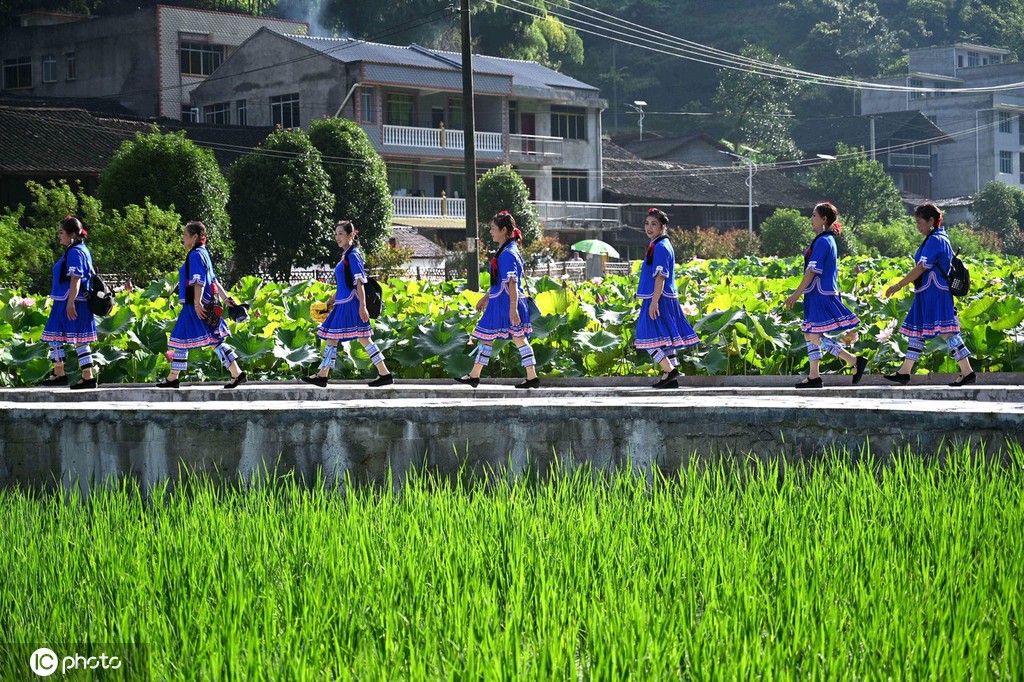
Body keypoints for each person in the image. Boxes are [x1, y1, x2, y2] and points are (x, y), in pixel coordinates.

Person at [883, 203, 975, 386]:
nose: (918, 226)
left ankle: (967, 372)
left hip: (935, 292)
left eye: (920, 222)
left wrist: (899, 285)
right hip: (927, 292)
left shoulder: (935, 240)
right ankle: (905, 371)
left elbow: (921, 267)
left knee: (948, 333)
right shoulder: (939, 237)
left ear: (931, 221)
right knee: (917, 332)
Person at [783, 202, 867, 388]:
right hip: (816, 293)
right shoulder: (826, 239)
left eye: (814, 215)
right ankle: (814, 376)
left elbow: (812, 270)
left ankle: (853, 361)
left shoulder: (823, 241)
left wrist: (796, 294)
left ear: (824, 219)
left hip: (820, 293)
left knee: (814, 335)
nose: (811, 219)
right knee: (809, 333)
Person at [156, 221, 246, 389]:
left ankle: (236, 373)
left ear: (194, 237)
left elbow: (199, 280)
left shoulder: (195, 255)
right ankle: (173, 377)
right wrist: (227, 298)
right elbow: (214, 280)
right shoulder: (203, 253)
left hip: (195, 307)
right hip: (200, 305)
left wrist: (197, 303)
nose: (183, 238)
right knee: (187, 340)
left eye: (185, 235)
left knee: (203, 340)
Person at [303, 220, 393, 387]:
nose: (337, 237)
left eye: (341, 234)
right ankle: (384, 373)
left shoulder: (353, 255)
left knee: (343, 338)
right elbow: (343, 286)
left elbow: (360, 282)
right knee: (358, 339)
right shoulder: (346, 255)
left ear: (351, 235)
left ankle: (323, 375)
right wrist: (329, 303)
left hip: (350, 304)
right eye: (336, 234)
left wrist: (362, 306)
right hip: (343, 302)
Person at [455, 211, 539, 389]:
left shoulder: (508, 254)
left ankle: (531, 376)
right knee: (490, 338)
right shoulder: (508, 250)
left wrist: (512, 308)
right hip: (501, 303)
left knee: (516, 339)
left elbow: (512, 283)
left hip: (505, 304)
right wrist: (487, 297)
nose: (491, 232)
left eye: (493, 229)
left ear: (504, 230)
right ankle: (475, 375)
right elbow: (502, 281)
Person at [634, 208, 698, 389]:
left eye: (653, 224)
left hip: (659, 297)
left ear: (663, 227)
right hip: (663, 296)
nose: (649, 227)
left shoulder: (661, 247)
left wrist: (654, 302)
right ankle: (670, 377)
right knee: (664, 338)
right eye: (647, 223)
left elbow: (660, 276)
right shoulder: (660, 244)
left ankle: (670, 370)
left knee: (646, 337)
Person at [39, 216, 99, 389]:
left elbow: (76, 278)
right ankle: (77, 375)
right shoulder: (80, 249)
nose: (59, 236)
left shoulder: (74, 252)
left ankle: (71, 375)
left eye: (61, 232)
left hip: (71, 300)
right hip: (69, 299)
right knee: (69, 337)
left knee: (60, 335)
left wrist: (70, 302)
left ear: (72, 235)